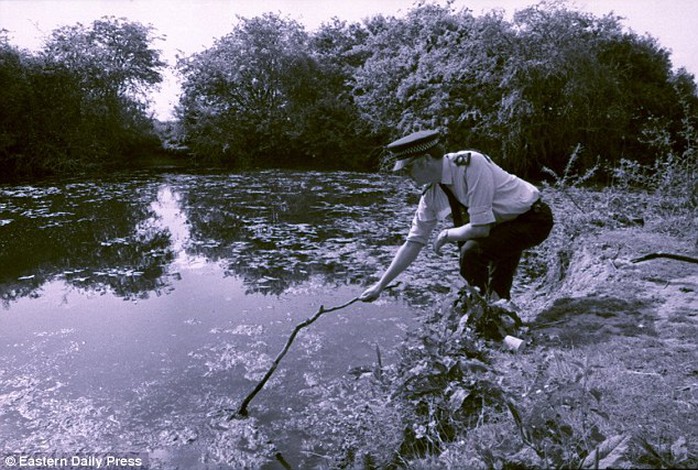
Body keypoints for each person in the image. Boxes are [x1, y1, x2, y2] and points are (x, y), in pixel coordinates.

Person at [359, 129, 553, 302]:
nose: (407, 175)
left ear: (426, 160)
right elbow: (413, 242)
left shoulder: (471, 164)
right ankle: (495, 320)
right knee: (496, 292)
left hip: (531, 219)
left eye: (409, 168)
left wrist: (446, 234)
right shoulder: (431, 193)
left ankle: (483, 316)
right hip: (500, 226)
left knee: (471, 253)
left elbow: (480, 228)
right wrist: (380, 285)